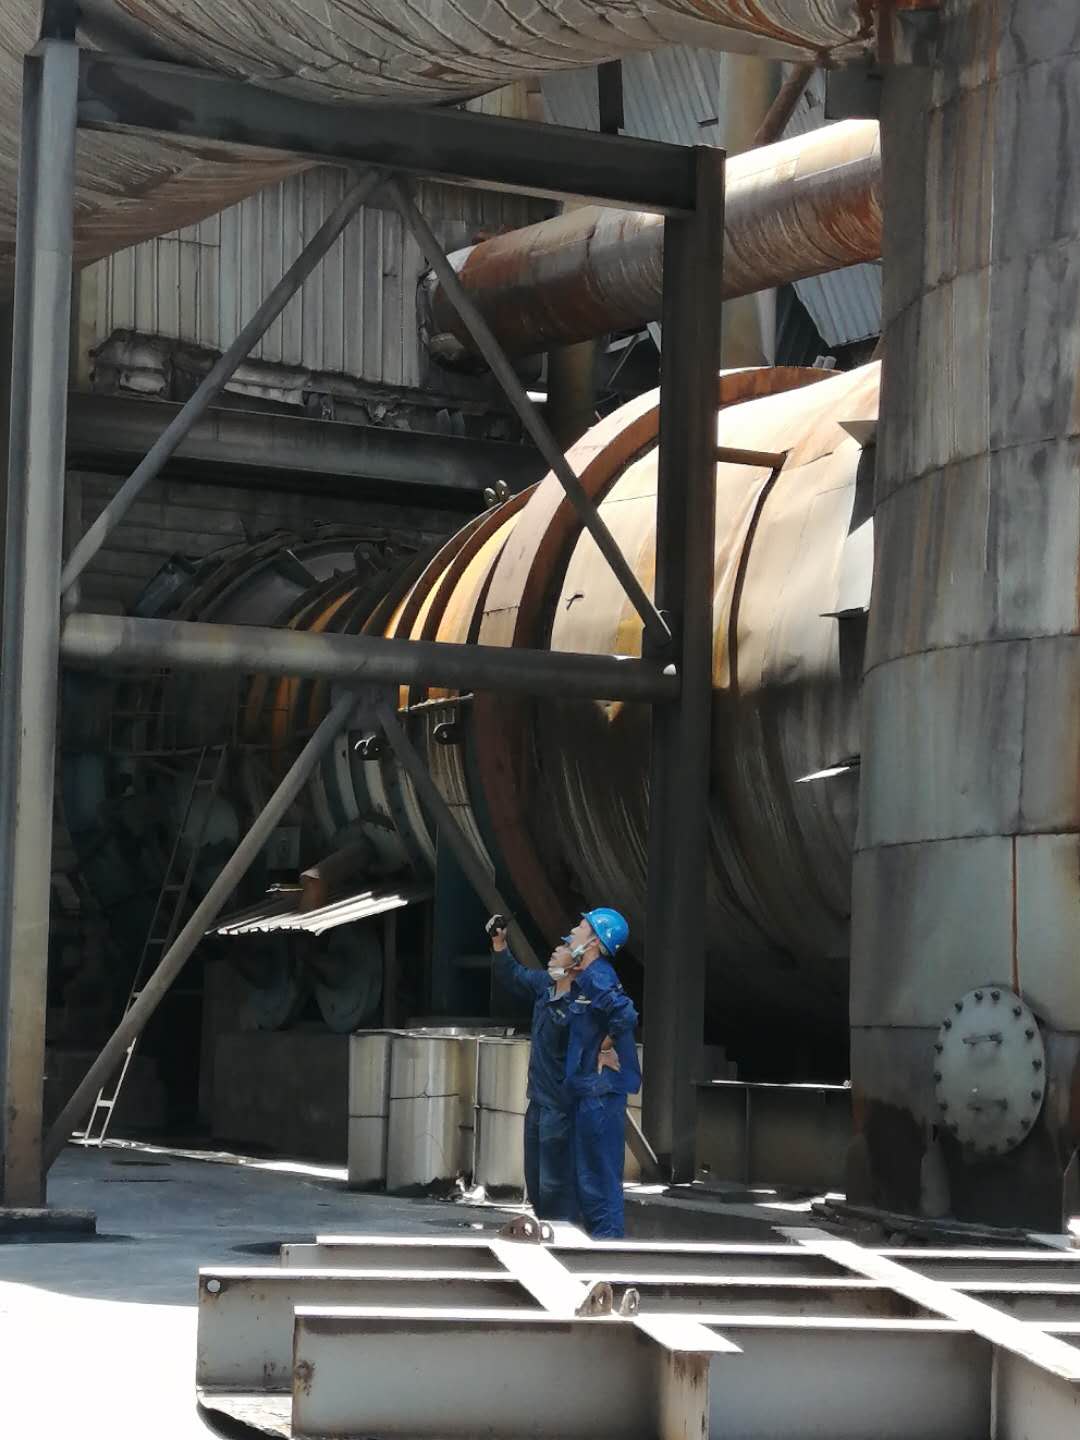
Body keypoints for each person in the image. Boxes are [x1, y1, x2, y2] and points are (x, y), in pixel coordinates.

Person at [488, 917, 575, 1222]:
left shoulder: (581, 1004)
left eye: (564, 948)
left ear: (577, 964)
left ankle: (560, 1234)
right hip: (537, 1102)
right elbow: (514, 975)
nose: (555, 951)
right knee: (536, 1181)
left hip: (560, 1108)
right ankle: (544, 1228)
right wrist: (500, 943)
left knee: (554, 1184)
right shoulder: (545, 987)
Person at [561, 908, 640, 1239]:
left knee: (601, 1179)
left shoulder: (599, 976)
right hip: (590, 1091)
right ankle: (598, 1247)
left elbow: (626, 1015)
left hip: (602, 1094)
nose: (573, 931)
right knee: (589, 1179)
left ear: (594, 941)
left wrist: (606, 1046)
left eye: (581, 926)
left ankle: (610, 1250)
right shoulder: (588, 976)